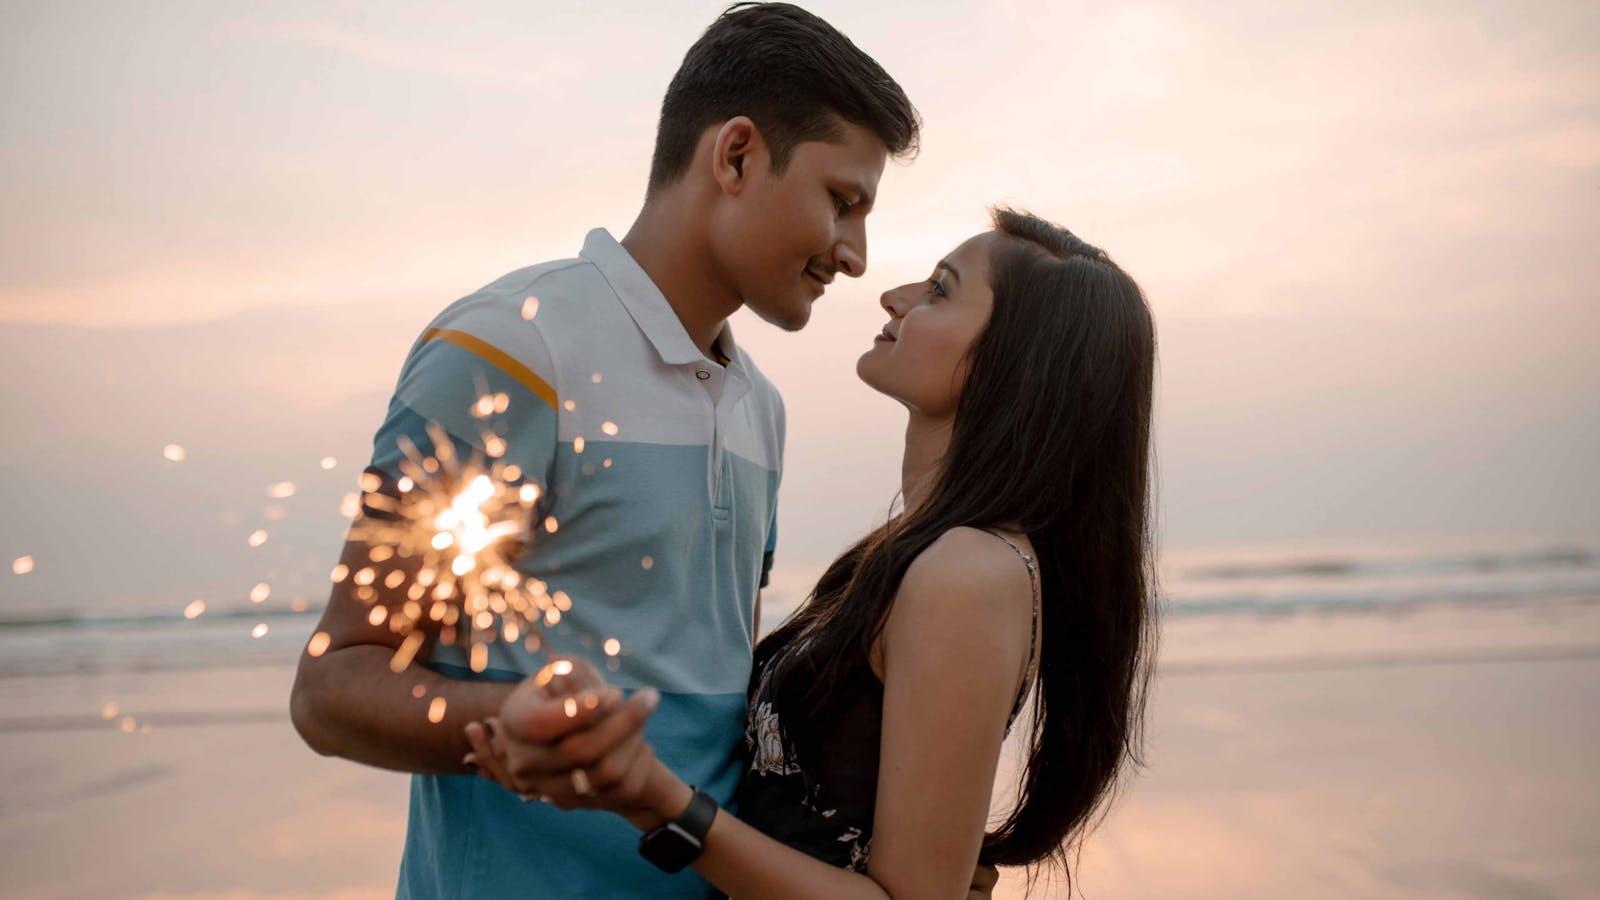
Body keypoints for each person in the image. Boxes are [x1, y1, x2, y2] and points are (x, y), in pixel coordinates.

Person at [289, 4, 921, 897]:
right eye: (842, 202)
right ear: (736, 156)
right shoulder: (511, 350)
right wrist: (511, 718)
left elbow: (718, 722)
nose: (855, 255)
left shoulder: (763, 411)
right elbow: (331, 688)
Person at [465, 208, 1159, 898]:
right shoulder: (910, 553)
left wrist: (657, 799)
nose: (895, 297)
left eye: (940, 290)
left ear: (1015, 361)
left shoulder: (967, 571)